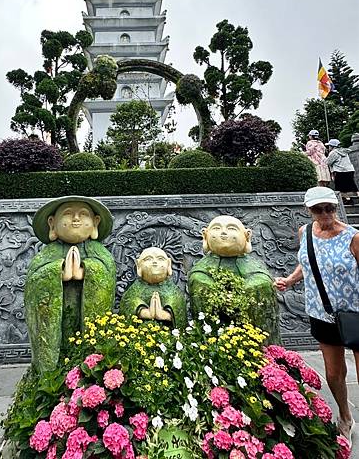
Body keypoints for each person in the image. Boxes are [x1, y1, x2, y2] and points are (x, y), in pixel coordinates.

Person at [275, 186, 359, 444]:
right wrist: (290, 280)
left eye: (329, 208)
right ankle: (345, 416)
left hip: (355, 313)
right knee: (333, 373)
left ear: (335, 207)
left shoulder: (353, 237)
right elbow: (309, 262)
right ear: (309, 210)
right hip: (322, 312)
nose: (325, 214)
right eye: (318, 209)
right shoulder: (306, 233)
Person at [24, 196, 116, 373]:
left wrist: (88, 271)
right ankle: (51, 373)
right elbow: (33, 282)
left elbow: (108, 275)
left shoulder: (100, 253)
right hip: (58, 321)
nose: (76, 219)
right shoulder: (47, 254)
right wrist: (57, 273)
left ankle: (90, 371)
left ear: (95, 222)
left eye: (83, 214)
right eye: (68, 214)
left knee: (88, 346)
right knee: (59, 352)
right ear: (52, 223)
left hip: (84, 319)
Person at [188, 215, 280, 344]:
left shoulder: (253, 266)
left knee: (262, 285)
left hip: (249, 327)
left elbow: (262, 280)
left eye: (231, 228)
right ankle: (213, 345)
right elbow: (198, 279)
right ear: (205, 235)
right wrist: (216, 293)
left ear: (247, 236)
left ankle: (261, 347)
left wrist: (244, 291)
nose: (223, 232)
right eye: (217, 228)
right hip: (217, 329)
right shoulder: (201, 270)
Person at [119, 246, 187, 330]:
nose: (155, 262)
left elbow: (180, 315)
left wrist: (165, 315)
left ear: (169, 264)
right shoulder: (134, 291)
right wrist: (143, 313)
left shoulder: (174, 292)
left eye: (160, 259)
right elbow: (127, 307)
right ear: (138, 265)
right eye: (148, 259)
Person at [326, 139, 359, 204]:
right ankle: (357, 196)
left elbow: (328, 162)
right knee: (352, 186)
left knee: (340, 188)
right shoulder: (344, 151)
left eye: (329, 146)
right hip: (350, 170)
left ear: (332, 146)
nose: (329, 147)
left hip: (340, 171)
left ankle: (348, 199)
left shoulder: (334, 152)